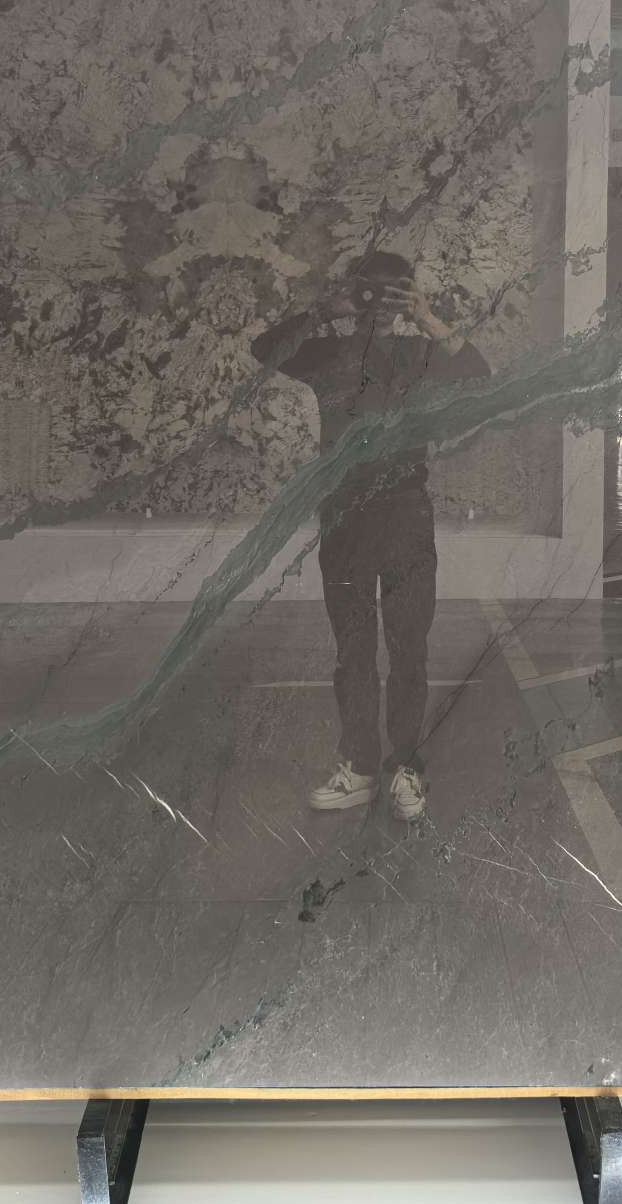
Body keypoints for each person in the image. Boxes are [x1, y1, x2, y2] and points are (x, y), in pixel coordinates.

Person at [250, 250, 490, 822]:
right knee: (353, 649)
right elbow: (265, 349)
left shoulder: (419, 353)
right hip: (346, 515)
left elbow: (480, 380)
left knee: (409, 647)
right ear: (355, 293)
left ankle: (405, 766)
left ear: (409, 295)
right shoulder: (326, 353)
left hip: (405, 512)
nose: (381, 303)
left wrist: (428, 318)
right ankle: (358, 768)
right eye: (371, 291)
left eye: (394, 291)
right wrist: (326, 309)